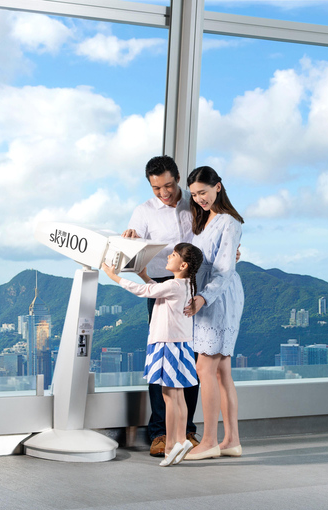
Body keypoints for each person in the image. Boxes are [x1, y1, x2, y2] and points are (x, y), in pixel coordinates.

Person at [123, 155, 200, 457]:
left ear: (178, 178)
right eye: (157, 189)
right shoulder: (143, 212)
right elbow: (132, 246)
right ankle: (159, 433)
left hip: (193, 285)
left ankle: (187, 431)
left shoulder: (194, 204)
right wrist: (129, 238)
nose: (164, 193)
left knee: (190, 359)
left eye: (168, 186)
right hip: (159, 286)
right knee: (163, 359)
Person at [102, 243, 204, 467]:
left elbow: (147, 292)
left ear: (183, 264)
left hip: (166, 345)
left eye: (174, 255)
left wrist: (114, 276)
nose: (169, 256)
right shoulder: (186, 285)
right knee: (178, 396)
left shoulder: (175, 285)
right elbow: (158, 291)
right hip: (182, 345)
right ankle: (181, 438)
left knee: (168, 397)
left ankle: (169, 447)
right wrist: (147, 277)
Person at [183, 166, 244, 460]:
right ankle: (231, 440)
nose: (199, 199)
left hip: (219, 299)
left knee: (204, 368)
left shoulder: (228, 223)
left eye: (203, 192)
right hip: (209, 298)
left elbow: (224, 270)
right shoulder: (205, 222)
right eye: (194, 195)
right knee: (221, 372)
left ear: (218, 186)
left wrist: (202, 299)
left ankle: (209, 441)